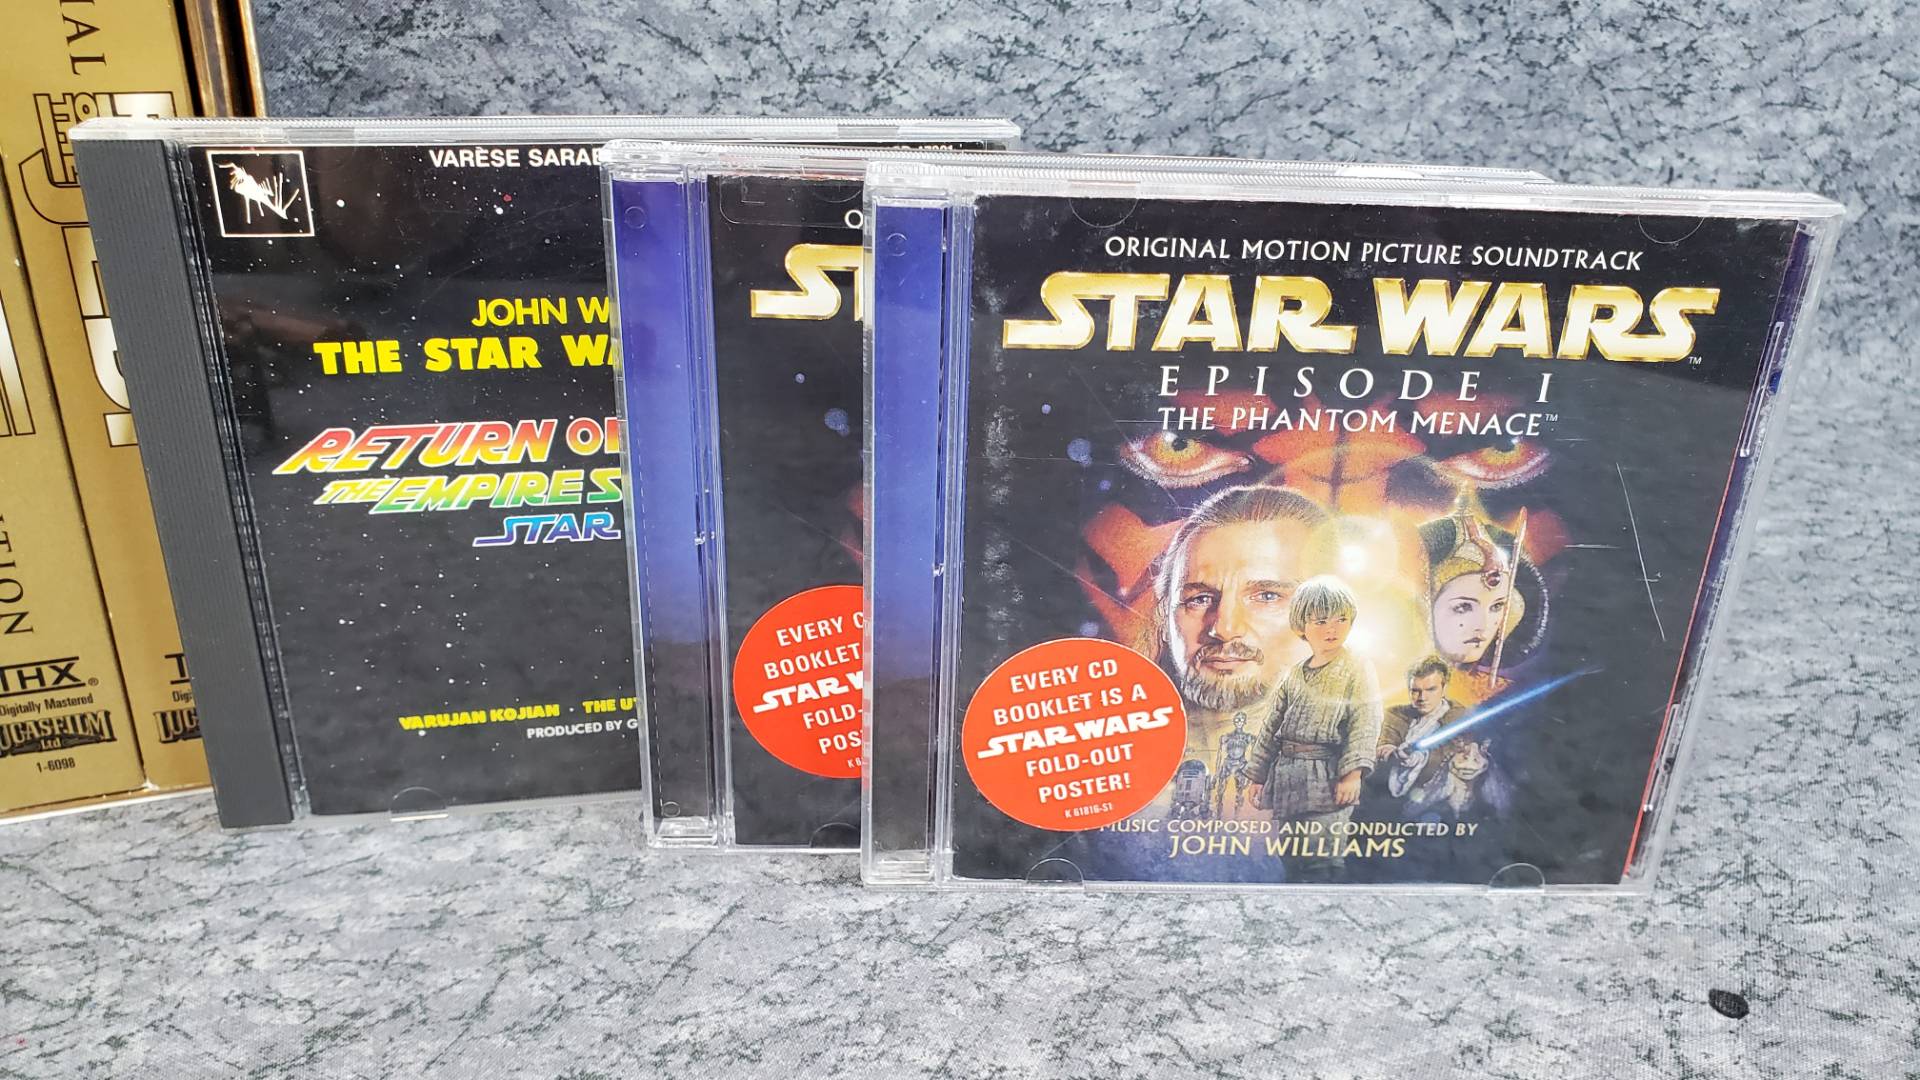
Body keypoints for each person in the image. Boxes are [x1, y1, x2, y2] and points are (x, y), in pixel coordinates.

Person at [1137, 485, 1333, 817]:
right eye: (1199, 599)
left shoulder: (1371, 768)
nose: (1224, 628)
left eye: (1267, 596)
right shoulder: (1105, 769)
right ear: (1163, 616)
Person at [1245, 575, 1383, 871]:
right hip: (1288, 777)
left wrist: (1352, 774)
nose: (1332, 629)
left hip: (1327, 776)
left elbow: (1365, 720)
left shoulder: (1357, 667)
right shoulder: (1294, 675)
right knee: (1291, 855)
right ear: (1302, 626)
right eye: (1321, 621)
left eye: (1341, 619)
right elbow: (1271, 727)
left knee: (1323, 857)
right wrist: (1258, 776)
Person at [1373, 656, 1467, 800]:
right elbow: (1384, 741)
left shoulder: (1461, 718)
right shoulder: (1395, 714)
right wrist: (1389, 751)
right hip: (1385, 796)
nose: (1422, 697)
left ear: (1444, 689)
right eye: (1415, 691)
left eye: (1431, 689)